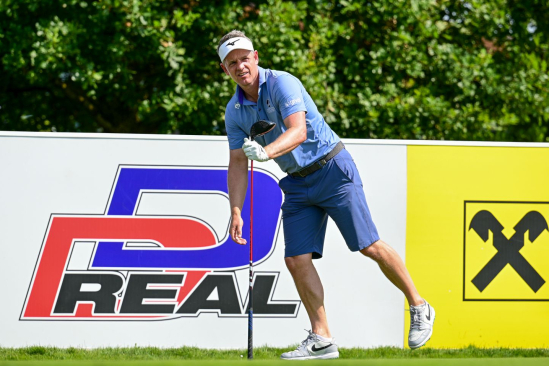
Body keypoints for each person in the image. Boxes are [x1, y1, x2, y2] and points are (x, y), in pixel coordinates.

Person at [219, 30, 435, 360]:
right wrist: (236, 209)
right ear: (225, 70)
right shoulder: (234, 110)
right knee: (295, 259)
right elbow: (236, 162)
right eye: (232, 63)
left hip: (332, 169)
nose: (240, 66)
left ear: (256, 57)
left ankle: (419, 306)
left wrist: (266, 153)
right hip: (297, 183)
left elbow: (298, 130)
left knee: (369, 245)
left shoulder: (282, 84)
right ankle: (322, 337)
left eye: (244, 59)